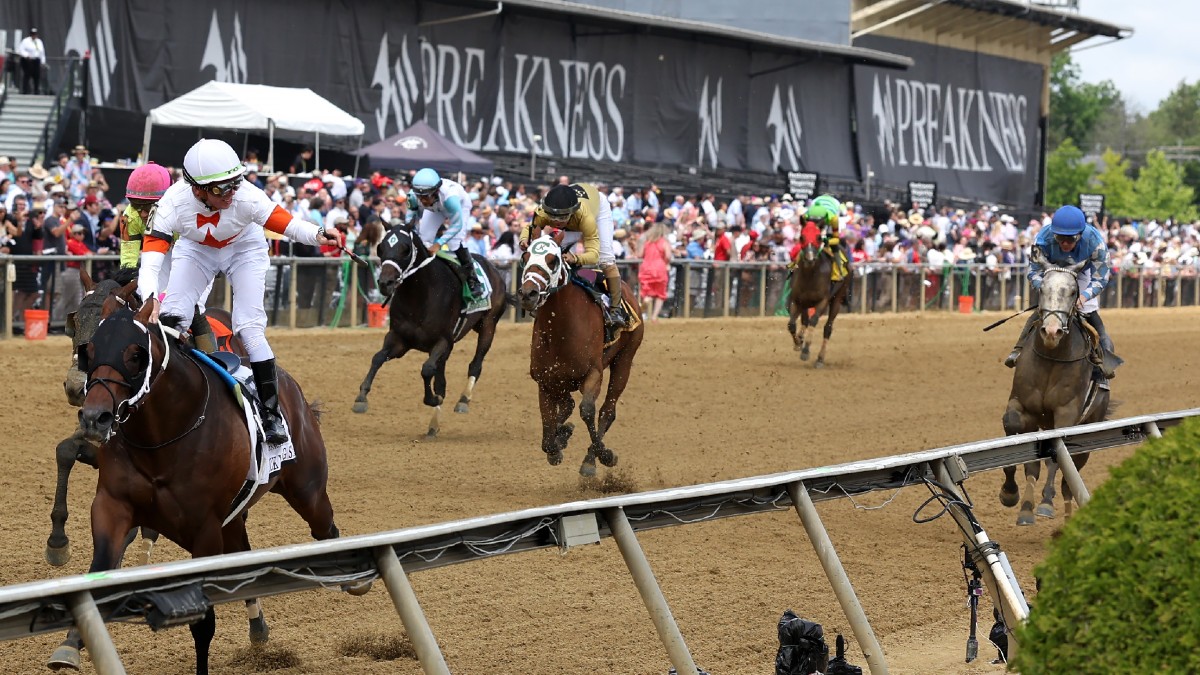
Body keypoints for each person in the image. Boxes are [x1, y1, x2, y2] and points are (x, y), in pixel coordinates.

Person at [137, 139, 337, 444]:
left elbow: (288, 224)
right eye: (222, 188)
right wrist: (150, 296)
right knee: (170, 319)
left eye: (235, 183)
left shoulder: (247, 197)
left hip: (245, 248)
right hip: (196, 250)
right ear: (197, 190)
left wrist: (320, 235)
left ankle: (272, 415)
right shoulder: (170, 205)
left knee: (249, 328)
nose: (231, 193)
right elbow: (150, 262)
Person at [1004, 205, 1115, 383]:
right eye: (1060, 238)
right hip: (1052, 272)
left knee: (1090, 313)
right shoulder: (1042, 239)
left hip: (1081, 273)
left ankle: (1105, 362)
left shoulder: (1096, 243)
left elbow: (1101, 278)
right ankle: (1018, 350)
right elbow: (1033, 272)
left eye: (1069, 239)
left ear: (1079, 235)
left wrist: (1084, 297)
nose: (1064, 243)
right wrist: (1049, 289)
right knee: (1046, 309)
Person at [118, 162, 220, 353]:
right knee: (142, 295)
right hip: (160, 254)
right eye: (136, 205)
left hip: (195, 257)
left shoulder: (182, 211)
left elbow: (187, 265)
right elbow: (129, 261)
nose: (141, 213)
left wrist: (165, 296)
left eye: (147, 206)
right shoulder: (128, 217)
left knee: (189, 305)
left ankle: (213, 357)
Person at [519, 182, 629, 328]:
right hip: (574, 210)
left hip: (596, 209)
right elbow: (529, 227)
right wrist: (523, 239)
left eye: (562, 217)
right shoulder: (543, 211)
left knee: (606, 260)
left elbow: (594, 255)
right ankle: (542, 299)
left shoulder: (585, 218)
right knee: (551, 253)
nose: (557, 221)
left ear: (571, 212)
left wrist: (575, 258)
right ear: (547, 211)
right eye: (552, 216)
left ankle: (616, 310)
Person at [405, 168, 485, 298]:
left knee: (454, 242)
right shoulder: (413, 196)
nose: (422, 201)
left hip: (459, 205)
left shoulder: (450, 198)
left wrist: (438, 244)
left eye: (425, 196)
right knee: (424, 239)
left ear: (436, 191)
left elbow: (457, 225)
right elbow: (409, 221)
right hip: (435, 208)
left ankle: (473, 280)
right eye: (420, 197)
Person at [17, 28, 46, 95]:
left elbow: (42, 52)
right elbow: (21, 50)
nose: (34, 35)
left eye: (35, 34)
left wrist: (43, 61)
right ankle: (25, 91)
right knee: (27, 75)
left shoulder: (39, 42)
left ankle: (36, 91)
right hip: (28, 60)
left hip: (36, 60)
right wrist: (26, 55)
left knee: (36, 76)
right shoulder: (26, 41)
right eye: (33, 34)